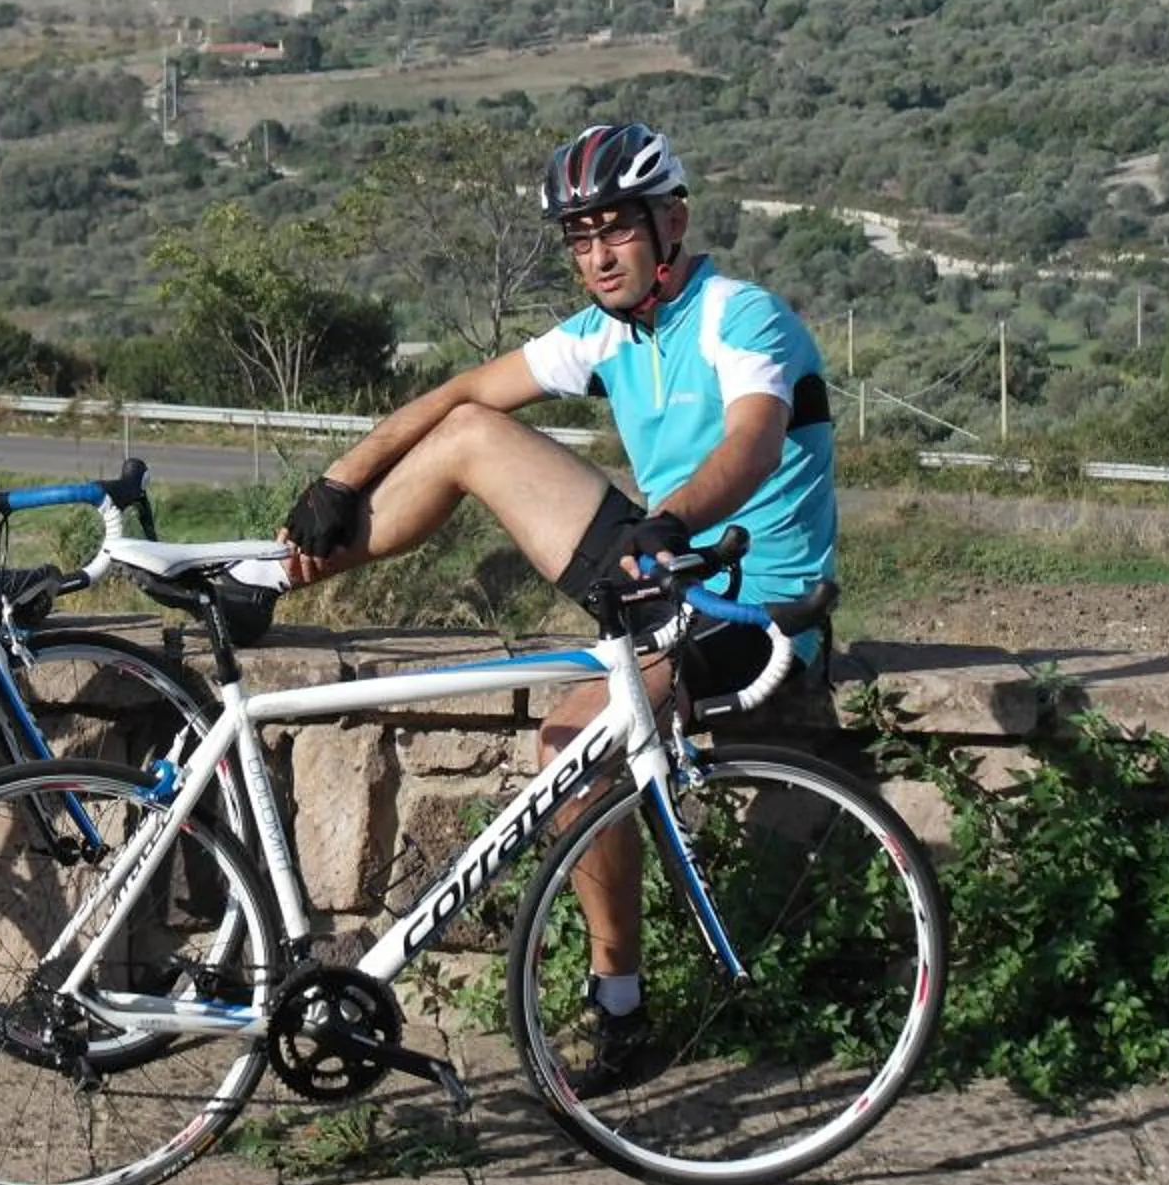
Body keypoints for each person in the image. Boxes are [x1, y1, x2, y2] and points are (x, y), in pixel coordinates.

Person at [220, 120, 836, 1092]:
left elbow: (752, 445)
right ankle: (264, 577)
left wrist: (670, 523)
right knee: (472, 430)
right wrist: (340, 478)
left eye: (616, 230)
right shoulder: (609, 331)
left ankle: (621, 1012)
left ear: (672, 222)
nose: (597, 255)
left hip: (745, 600)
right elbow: (461, 391)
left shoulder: (739, 316)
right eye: (580, 238)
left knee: (570, 748)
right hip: (658, 570)